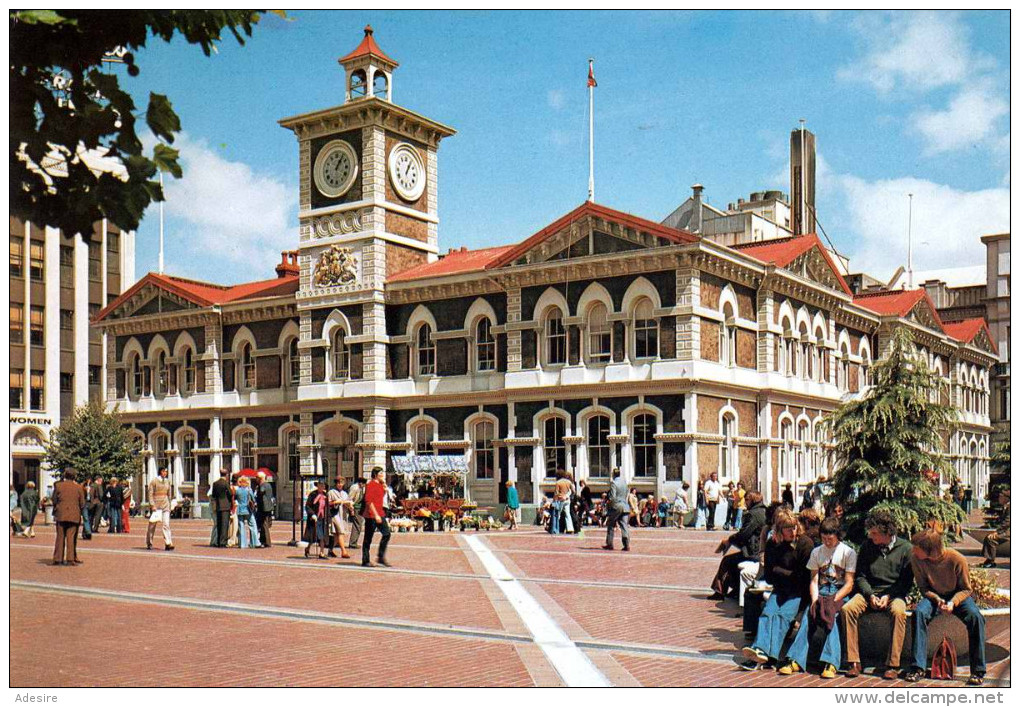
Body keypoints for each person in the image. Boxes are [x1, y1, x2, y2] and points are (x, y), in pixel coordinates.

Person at [777, 517, 857, 679]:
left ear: (837, 536)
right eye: (824, 538)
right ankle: (795, 659)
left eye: (830, 539)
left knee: (831, 616)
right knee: (809, 614)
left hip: (839, 592)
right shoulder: (816, 552)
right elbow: (813, 580)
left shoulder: (848, 552)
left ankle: (831, 662)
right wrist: (814, 600)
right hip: (821, 591)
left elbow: (849, 583)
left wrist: (834, 600)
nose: (827, 542)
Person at [904, 530, 986, 685]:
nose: (913, 550)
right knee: (919, 613)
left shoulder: (956, 559)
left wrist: (953, 602)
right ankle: (917, 668)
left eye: (917, 548)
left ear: (930, 549)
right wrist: (937, 599)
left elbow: (967, 589)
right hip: (934, 596)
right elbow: (923, 587)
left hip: (958, 595)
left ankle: (978, 671)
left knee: (976, 617)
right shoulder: (917, 559)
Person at [841, 509, 913, 680]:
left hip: (894, 594)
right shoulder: (867, 547)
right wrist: (870, 594)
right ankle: (854, 661)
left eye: (874, 533)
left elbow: (906, 582)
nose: (870, 536)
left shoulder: (906, 549)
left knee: (899, 612)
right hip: (870, 592)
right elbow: (860, 576)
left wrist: (889, 596)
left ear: (887, 532)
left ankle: (893, 664)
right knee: (847, 609)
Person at [740, 509, 813, 670]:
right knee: (768, 613)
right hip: (780, 589)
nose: (792, 532)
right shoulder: (773, 544)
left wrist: (779, 571)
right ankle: (760, 651)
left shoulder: (805, 544)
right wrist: (783, 573)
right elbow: (769, 575)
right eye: (788, 529)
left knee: (782, 616)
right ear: (779, 530)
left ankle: (768, 655)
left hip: (798, 592)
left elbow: (801, 577)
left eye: (794, 527)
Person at [708, 490, 766, 601]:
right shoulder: (763, 511)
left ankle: (719, 591)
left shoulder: (753, 514)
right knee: (734, 562)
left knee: (727, 561)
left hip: (754, 552)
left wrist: (730, 540)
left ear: (753, 500)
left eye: (747, 500)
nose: (745, 503)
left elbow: (744, 534)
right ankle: (737, 589)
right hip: (759, 550)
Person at [52, 469, 86, 566]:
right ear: (74, 476)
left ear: (65, 475)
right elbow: (82, 503)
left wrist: (58, 506)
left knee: (60, 537)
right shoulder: (79, 488)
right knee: (71, 537)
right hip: (74, 515)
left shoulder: (58, 486)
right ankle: (70, 558)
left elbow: (54, 499)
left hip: (61, 514)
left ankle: (58, 558)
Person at [361, 467, 392, 568]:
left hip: (380, 512)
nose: (382, 474)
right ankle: (365, 560)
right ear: (375, 474)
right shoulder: (370, 485)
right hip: (371, 515)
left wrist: (384, 485)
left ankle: (380, 556)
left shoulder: (380, 485)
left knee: (387, 534)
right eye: (380, 473)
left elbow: (381, 496)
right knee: (368, 538)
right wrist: (375, 515)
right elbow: (369, 501)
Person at [146, 468, 176, 551]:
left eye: (166, 471)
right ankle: (149, 542)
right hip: (156, 506)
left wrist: (170, 505)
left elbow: (169, 494)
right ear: (160, 472)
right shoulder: (154, 481)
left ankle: (168, 543)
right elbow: (150, 494)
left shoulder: (167, 481)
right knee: (152, 525)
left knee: (166, 524)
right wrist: (152, 505)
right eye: (163, 471)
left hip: (165, 505)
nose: (165, 473)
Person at [602, 468, 630, 552]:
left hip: (616, 505)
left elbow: (612, 497)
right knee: (624, 525)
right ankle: (626, 544)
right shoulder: (624, 483)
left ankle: (609, 543)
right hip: (625, 505)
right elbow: (626, 494)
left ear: (613, 474)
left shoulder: (614, 483)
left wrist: (608, 501)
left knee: (611, 524)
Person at [981, 489, 1010, 568]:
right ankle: (989, 560)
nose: (999, 498)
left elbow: (1007, 522)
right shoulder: (1007, 506)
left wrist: (997, 532)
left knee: (990, 539)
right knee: (988, 537)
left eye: (1000, 497)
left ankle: (990, 561)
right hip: (1006, 530)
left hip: (1008, 532)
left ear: (1006, 498)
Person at [327, 477, 352, 559]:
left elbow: (348, 502)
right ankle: (343, 551)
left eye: (341, 483)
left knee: (335, 536)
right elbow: (328, 503)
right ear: (336, 483)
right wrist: (335, 502)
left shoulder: (345, 493)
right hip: (335, 515)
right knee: (340, 532)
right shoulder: (331, 492)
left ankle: (330, 550)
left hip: (343, 515)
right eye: (338, 483)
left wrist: (350, 506)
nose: (340, 484)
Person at [304, 480, 328, 559]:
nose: (321, 487)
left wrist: (328, 518)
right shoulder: (313, 494)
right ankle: (307, 548)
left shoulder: (325, 495)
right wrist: (312, 514)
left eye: (323, 485)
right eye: (320, 485)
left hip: (322, 518)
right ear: (317, 486)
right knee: (313, 536)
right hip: (314, 518)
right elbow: (308, 506)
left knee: (322, 536)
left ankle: (321, 553)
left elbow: (327, 507)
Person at [210, 473, 233, 548]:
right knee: (225, 525)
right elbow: (230, 493)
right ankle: (223, 542)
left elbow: (213, 495)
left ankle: (219, 541)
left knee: (219, 524)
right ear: (226, 475)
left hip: (218, 506)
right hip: (225, 506)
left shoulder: (215, 483)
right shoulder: (226, 483)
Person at [256, 471, 276, 548]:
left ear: (260, 478)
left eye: (257, 478)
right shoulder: (269, 485)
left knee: (264, 524)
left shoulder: (263, 485)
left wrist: (258, 490)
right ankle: (262, 540)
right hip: (268, 507)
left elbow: (261, 492)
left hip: (263, 507)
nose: (256, 479)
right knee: (264, 524)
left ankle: (267, 542)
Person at [347, 476, 364, 549]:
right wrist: (351, 509)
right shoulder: (355, 488)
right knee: (357, 525)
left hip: (360, 508)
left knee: (358, 525)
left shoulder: (361, 488)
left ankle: (354, 542)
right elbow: (350, 499)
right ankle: (353, 543)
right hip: (355, 508)